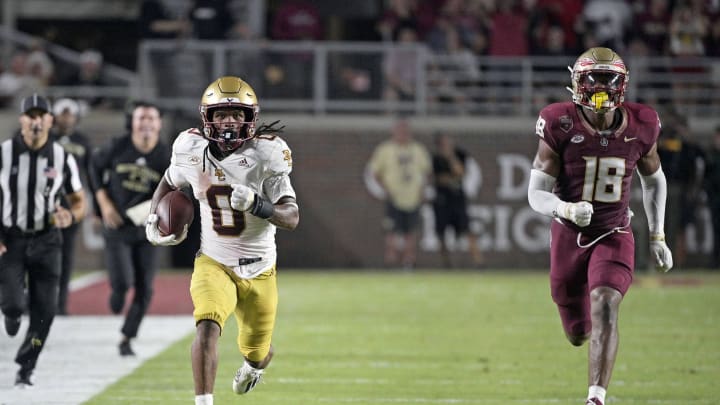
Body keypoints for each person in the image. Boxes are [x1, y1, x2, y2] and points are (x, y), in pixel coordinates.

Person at [527, 47, 673, 405]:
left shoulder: (643, 123)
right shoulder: (559, 122)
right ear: (577, 82)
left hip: (614, 232)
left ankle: (595, 398)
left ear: (622, 84)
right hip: (568, 235)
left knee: (605, 302)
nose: (600, 87)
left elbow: (653, 179)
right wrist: (564, 208)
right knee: (578, 332)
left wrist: (657, 234)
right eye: (593, 78)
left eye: (609, 79)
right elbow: (535, 193)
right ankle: (588, 334)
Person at [144, 76, 299, 404]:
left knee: (258, 352)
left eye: (236, 114)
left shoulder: (267, 153)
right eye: (221, 114)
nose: (229, 121)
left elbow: (291, 217)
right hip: (214, 261)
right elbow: (169, 182)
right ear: (207, 118)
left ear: (249, 118)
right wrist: (154, 216)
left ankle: (253, 367)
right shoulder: (190, 148)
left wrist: (258, 204)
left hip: (260, 269)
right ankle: (203, 401)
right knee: (207, 326)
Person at [0, 94, 86, 387]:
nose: (36, 121)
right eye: (30, 116)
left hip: (48, 240)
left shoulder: (63, 158)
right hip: (11, 239)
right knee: (13, 305)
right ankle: (10, 314)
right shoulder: (4, 153)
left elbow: (78, 201)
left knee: (45, 311)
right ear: (22, 119)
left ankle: (26, 367)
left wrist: (71, 217)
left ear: (50, 120)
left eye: (41, 116)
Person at [88, 101, 170, 356]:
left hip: (148, 229)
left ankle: (126, 337)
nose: (146, 123)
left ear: (159, 124)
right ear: (131, 122)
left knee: (145, 287)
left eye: (151, 118)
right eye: (141, 118)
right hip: (118, 226)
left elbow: (178, 188)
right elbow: (93, 167)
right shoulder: (116, 146)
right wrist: (102, 203)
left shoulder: (166, 155)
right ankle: (118, 292)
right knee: (123, 282)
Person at [367, 118, 431, 269]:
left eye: (405, 131)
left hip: (412, 197)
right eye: (400, 131)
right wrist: (385, 189)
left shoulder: (417, 149)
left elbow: (427, 172)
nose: (403, 134)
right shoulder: (385, 149)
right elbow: (375, 172)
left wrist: (422, 190)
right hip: (394, 197)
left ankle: (408, 262)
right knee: (391, 232)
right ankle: (391, 263)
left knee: (411, 232)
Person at [51, 98, 92, 315]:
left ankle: (61, 304)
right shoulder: (47, 138)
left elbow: (90, 174)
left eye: (70, 114)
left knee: (66, 255)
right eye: (63, 114)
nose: (67, 118)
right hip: (46, 204)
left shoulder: (82, 141)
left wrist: (93, 207)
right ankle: (34, 301)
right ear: (55, 116)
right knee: (37, 254)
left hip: (72, 205)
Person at [431, 132, 483, 268]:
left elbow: (461, 172)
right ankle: (446, 263)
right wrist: (451, 179)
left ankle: (478, 261)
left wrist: (451, 157)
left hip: (457, 199)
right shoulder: (435, 158)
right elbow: (438, 179)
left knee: (467, 229)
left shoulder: (459, 154)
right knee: (441, 233)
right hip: (442, 200)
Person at [704, 126, 720, 268]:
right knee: (715, 230)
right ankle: (715, 260)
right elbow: (707, 178)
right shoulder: (711, 155)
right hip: (715, 199)